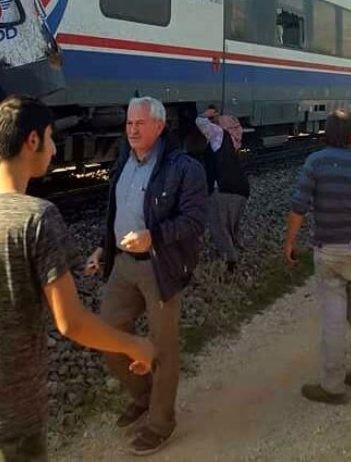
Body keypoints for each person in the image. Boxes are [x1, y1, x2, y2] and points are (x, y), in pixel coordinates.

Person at [0, 96, 154, 462]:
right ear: (32, 141)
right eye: (51, 138)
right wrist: (134, 345)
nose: (54, 148)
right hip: (12, 416)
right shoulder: (37, 218)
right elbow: (71, 323)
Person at [86, 97, 207, 456]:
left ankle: (160, 423)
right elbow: (118, 212)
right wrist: (103, 248)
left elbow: (195, 221)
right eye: (128, 124)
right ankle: (143, 395)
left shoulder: (183, 167)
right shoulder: (124, 159)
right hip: (123, 262)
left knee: (162, 348)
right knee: (108, 336)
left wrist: (155, 236)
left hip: (160, 264)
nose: (133, 130)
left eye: (140, 124)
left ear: (159, 125)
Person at [284, 109, 351, 404]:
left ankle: (333, 385)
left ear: (326, 135)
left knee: (333, 318)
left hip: (329, 251)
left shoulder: (315, 162)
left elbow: (299, 207)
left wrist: (290, 242)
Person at [195, 106, 249, 272]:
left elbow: (200, 122)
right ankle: (237, 250)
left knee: (219, 227)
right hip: (241, 189)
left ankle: (230, 263)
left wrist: (206, 114)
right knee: (232, 226)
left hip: (223, 189)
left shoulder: (219, 135)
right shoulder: (236, 136)